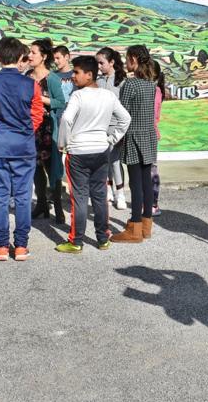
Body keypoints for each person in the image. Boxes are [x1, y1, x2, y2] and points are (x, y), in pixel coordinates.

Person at [55, 56, 131, 253]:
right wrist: (111, 139)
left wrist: (63, 143)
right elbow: (125, 118)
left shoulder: (78, 96)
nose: (73, 76)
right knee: (99, 196)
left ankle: (76, 241)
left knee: (79, 197)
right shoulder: (108, 96)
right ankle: (102, 239)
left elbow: (66, 119)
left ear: (89, 75)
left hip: (78, 152)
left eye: (76, 72)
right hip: (100, 150)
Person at [0, 37, 45, 261]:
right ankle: (20, 245)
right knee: (22, 197)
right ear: (20, 57)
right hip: (23, 145)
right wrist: (25, 130)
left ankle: (1, 246)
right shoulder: (31, 84)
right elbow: (37, 115)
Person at [112, 45, 158, 243]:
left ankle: (135, 227)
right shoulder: (151, 84)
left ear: (134, 59)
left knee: (136, 182)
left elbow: (122, 113)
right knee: (146, 180)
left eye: (127, 58)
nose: (125, 62)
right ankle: (146, 225)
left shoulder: (130, 84)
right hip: (148, 135)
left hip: (133, 135)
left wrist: (114, 136)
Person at [28, 39, 67, 223]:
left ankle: (58, 207)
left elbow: (60, 102)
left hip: (47, 129)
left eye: (33, 52)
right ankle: (42, 204)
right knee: (35, 169)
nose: (30, 55)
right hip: (30, 129)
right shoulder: (27, 77)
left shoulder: (52, 79)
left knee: (53, 171)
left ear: (43, 56)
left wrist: (40, 99)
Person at [96, 46, 128, 210]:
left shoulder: (122, 81)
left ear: (112, 62)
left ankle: (120, 194)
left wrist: (121, 131)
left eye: (101, 63)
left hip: (116, 128)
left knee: (115, 160)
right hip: (101, 127)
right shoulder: (99, 81)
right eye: (97, 63)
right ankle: (107, 189)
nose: (99, 66)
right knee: (105, 160)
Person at [151, 66, 167, 216]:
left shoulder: (155, 91)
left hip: (150, 134)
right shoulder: (156, 91)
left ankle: (153, 203)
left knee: (151, 170)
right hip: (150, 133)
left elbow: (153, 115)